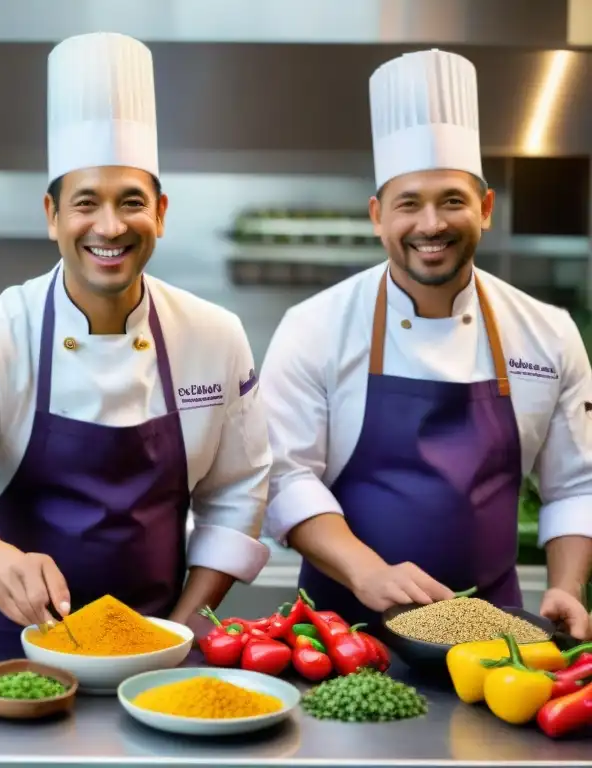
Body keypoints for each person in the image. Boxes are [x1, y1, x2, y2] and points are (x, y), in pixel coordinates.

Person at [0, 32, 273, 641]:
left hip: (165, 647)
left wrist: (177, 634)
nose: (109, 226)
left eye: (131, 202)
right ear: (51, 215)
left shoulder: (215, 336)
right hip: (24, 650)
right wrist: (1, 562)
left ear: (161, 213)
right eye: (85, 203)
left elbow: (237, 493)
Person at [260, 49, 592, 639]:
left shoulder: (547, 332)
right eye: (408, 203)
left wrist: (565, 587)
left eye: (452, 201)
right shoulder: (315, 326)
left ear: (485, 209)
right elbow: (285, 477)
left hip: (497, 638)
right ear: (377, 216)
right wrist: (367, 571)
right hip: (340, 634)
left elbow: (575, 484)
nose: (431, 223)